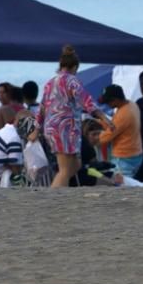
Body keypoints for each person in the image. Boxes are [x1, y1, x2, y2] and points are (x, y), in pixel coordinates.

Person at [38, 45, 113, 188]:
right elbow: (87, 102)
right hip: (64, 129)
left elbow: (42, 107)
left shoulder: (50, 83)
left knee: (75, 165)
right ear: (75, 67)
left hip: (52, 128)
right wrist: (105, 118)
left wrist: (36, 127)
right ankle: (54, 199)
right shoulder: (72, 81)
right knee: (65, 169)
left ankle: (59, 190)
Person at [97, 84, 143, 178]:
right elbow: (117, 126)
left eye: (108, 102)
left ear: (116, 99)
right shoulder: (131, 104)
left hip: (124, 158)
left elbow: (105, 138)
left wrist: (91, 136)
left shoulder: (123, 115)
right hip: (136, 153)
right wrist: (99, 121)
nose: (107, 104)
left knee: (121, 186)